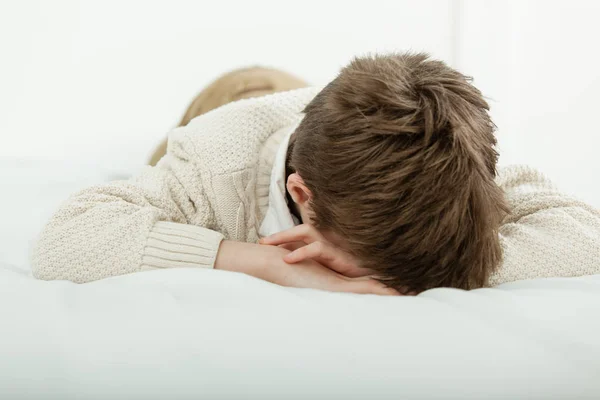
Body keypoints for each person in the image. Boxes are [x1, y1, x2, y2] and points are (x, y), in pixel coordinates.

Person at [31, 53, 600, 295]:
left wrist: (435, 271)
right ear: (302, 197)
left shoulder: (455, 172)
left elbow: (586, 234)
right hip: (227, 106)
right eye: (369, 275)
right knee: (155, 163)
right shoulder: (210, 163)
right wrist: (272, 264)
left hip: (312, 117)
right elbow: (70, 238)